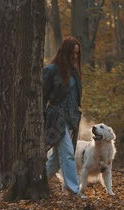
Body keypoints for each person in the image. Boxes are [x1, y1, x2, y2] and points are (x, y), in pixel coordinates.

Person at [43, 36, 86, 199]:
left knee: (55, 159)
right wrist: (42, 118)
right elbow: (42, 96)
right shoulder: (51, 70)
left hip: (71, 117)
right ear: (64, 52)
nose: (75, 57)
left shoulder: (74, 72)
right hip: (56, 116)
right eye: (72, 53)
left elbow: (75, 96)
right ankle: (74, 191)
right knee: (68, 153)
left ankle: (39, 183)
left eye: (77, 54)